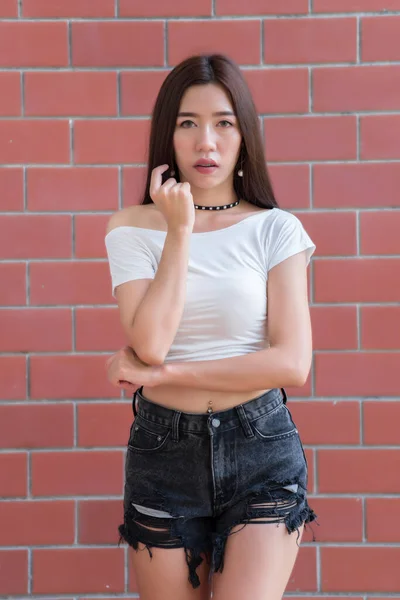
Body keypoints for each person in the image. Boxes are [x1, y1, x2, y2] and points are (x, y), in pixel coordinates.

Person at [104, 53, 317, 600]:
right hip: (163, 451)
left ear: (244, 134)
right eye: (188, 124)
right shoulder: (133, 228)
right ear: (167, 136)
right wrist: (180, 230)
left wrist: (170, 370)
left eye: (224, 122)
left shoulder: (276, 230)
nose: (207, 142)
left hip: (260, 446)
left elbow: (292, 363)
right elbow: (148, 341)